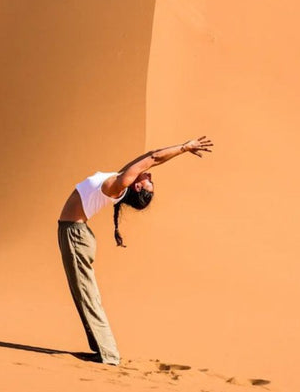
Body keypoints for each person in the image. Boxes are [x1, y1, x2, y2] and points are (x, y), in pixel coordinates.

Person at [57, 136, 213, 365]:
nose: (148, 175)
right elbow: (151, 156)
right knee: (84, 293)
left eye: (148, 181)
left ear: (136, 186)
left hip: (75, 234)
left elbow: (151, 159)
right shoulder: (119, 179)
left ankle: (108, 354)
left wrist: (184, 148)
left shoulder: (118, 184)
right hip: (73, 233)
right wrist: (174, 151)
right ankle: (101, 348)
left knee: (87, 294)